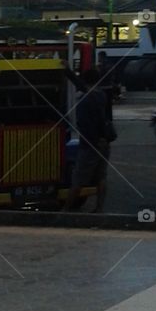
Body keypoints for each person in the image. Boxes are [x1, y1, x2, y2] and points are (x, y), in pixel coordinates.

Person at [64, 67, 111, 213]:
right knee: (101, 177)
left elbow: (85, 125)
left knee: (78, 179)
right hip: (104, 142)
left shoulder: (84, 101)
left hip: (90, 145)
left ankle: (65, 210)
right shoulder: (102, 95)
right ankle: (99, 208)